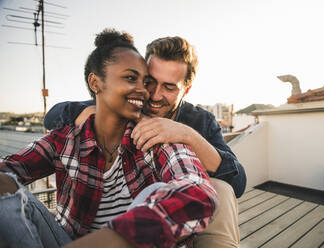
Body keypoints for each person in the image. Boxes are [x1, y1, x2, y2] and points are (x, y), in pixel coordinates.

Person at [0, 29, 218, 248]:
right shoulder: (66, 138)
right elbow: (12, 165)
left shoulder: (155, 135)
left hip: (135, 241)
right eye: (132, 78)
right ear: (96, 83)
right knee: (7, 190)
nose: (147, 93)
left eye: (144, 81)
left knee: (155, 192)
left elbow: (198, 190)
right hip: (64, 240)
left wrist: (117, 239)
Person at [44, 35, 246, 248]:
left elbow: (237, 183)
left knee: (220, 187)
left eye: (169, 87)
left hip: (179, 219)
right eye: (150, 82)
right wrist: (86, 114)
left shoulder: (200, 120)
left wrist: (187, 135)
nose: (155, 95)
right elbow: (54, 115)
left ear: (186, 89)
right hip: (119, 219)